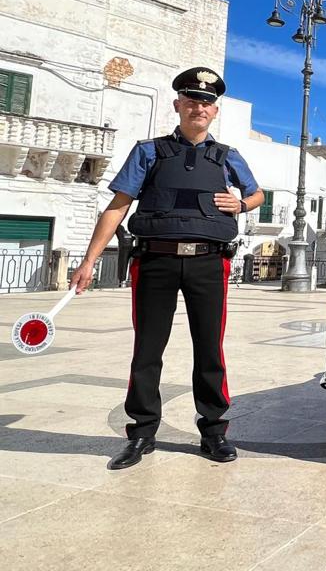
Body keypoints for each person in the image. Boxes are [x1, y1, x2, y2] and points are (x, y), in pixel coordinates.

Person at [70, 67, 264, 470]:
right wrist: (88, 262)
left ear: (215, 111)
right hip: (155, 260)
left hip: (209, 263)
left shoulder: (228, 156)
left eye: (207, 102)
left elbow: (257, 193)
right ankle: (141, 434)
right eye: (192, 99)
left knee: (210, 349)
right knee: (147, 349)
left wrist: (242, 205)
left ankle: (213, 432)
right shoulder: (148, 151)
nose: (199, 106)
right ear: (178, 105)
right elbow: (118, 206)